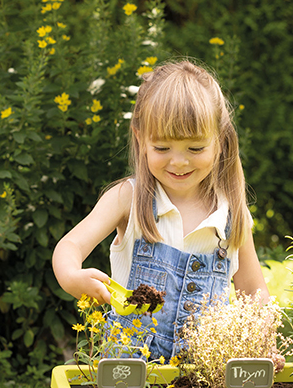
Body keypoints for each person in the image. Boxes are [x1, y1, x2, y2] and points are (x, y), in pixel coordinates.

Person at [52, 60, 270, 361]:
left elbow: (253, 294)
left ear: (219, 141)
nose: (179, 162)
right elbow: (70, 245)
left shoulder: (230, 214)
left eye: (195, 149)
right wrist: (71, 276)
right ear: (141, 138)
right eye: (163, 148)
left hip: (203, 379)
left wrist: (264, 345)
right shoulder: (127, 198)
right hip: (129, 379)